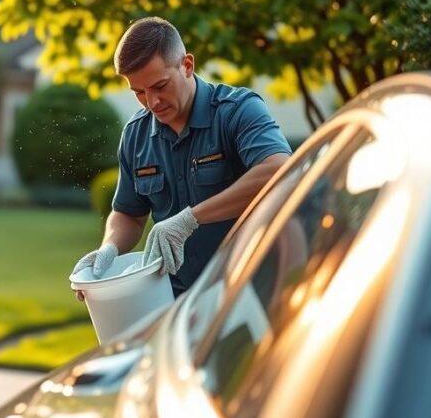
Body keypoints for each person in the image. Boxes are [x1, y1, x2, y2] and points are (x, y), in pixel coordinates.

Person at [72, 17, 292, 298]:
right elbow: (129, 212)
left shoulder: (237, 111)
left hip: (249, 292)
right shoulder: (135, 135)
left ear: (187, 65)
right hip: (176, 301)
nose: (152, 102)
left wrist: (189, 219)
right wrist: (109, 248)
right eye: (139, 92)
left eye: (160, 86)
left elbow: (278, 170)